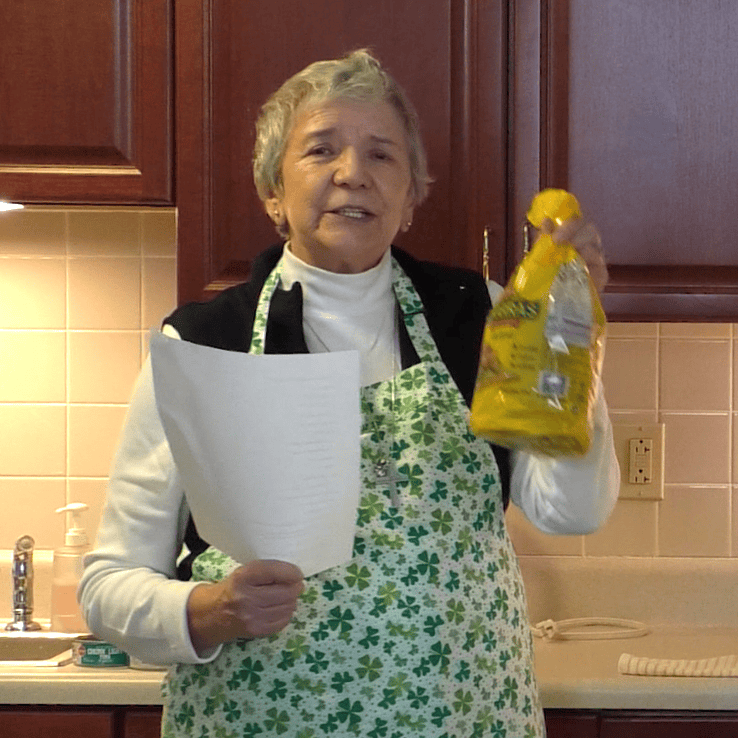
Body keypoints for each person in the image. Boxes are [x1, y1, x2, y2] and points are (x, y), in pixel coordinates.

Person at [80, 49, 619, 738]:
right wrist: (208, 611)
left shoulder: (477, 316)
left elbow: (568, 511)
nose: (352, 173)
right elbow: (110, 584)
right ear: (273, 192)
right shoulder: (202, 343)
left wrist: (569, 343)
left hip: (463, 720)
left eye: (381, 155)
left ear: (411, 196)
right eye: (321, 149)